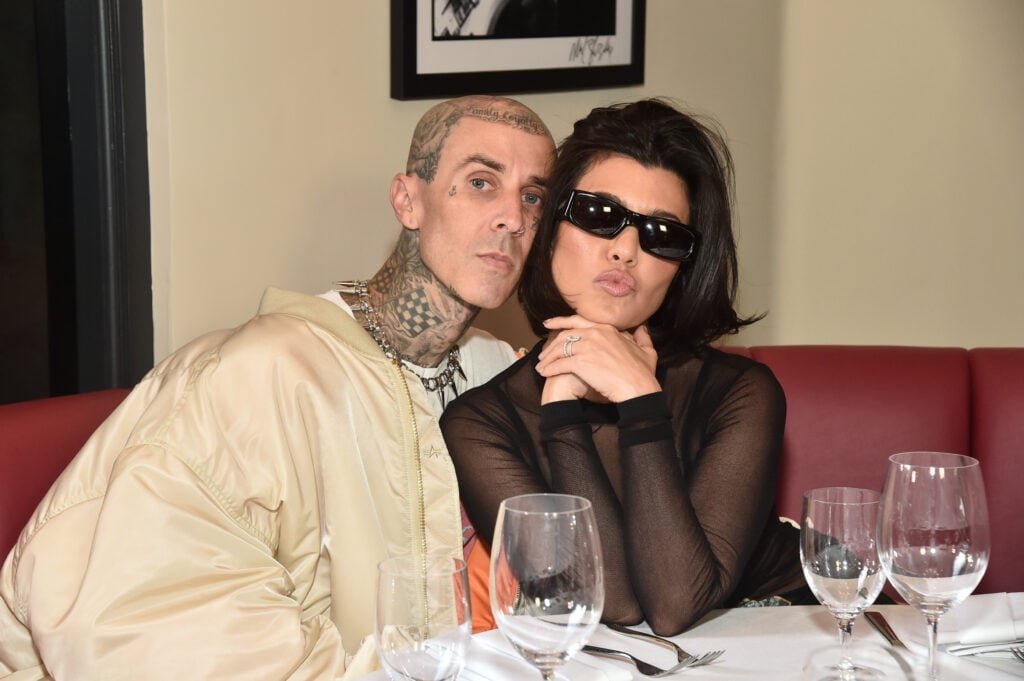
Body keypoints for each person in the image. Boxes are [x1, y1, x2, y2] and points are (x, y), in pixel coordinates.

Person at [0, 95, 555, 680]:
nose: (512, 217)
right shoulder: (257, 373)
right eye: (480, 182)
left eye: (532, 196)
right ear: (407, 200)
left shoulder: (496, 371)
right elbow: (149, 617)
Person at [441, 99, 808, 637]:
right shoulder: (481, 423)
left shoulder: (740, 393)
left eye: (662, 234)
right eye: (599, 215)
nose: (626, 250)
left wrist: (640, 400)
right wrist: (561, 408)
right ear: (550, 227)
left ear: (681, 269)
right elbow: (608, 603)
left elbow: (676, 604)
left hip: (811, 635)